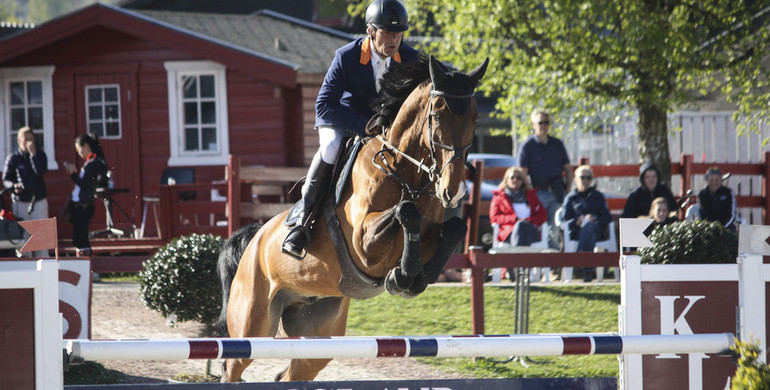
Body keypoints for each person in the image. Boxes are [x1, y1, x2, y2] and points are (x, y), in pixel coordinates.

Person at [282, 0, 420, 259]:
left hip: (382, 128)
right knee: (331, 147)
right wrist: (363, 126)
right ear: (370, 31)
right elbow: (324, 105)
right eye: (387, 33)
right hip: (342, 121)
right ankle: (303, 222)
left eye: (399, 33)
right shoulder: (346, 56)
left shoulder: (410, 58)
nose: (394, 39)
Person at [517, 109, 572, 248]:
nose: (543, 125)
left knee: (555, 227)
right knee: (539, 227)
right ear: (534, 124)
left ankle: (552, 265)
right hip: (538, 193)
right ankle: (540, 262)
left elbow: (567, 168)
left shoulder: (557, 144)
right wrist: (530, 191)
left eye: (546, 122)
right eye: (540, 122)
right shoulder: (528, 146)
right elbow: (522, 172)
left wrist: (569, 187)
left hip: (557, 191)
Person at [2, 126, 49, 257]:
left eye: (31, 138)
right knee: (23, 241)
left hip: (38, 201)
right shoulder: (13, 158)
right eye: (25, 139)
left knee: (41, 238)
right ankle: (26, 268)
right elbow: (6, 179)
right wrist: (13, 186)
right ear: (18, 140)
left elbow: (41, 171)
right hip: (20, 202)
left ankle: (44, 268)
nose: (28, 141)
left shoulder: (40, 154)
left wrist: (33, 155)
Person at [561, 165, 611, 282]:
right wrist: (576, 221)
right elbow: (564, 221)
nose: (585, 181)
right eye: (582, 177)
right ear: (575, 179)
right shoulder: (571, 198)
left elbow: (607, 217)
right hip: (577, 232)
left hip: (597, 229)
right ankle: (587, 271)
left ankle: (581, 260)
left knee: (590, 226)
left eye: (588, 178)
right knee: (589, 231)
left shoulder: (598, 196)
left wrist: (594, 219)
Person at [64, 134, 108, 256]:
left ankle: (86, 264)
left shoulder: (94, 164)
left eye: (79, 149)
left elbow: (85, 184)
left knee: (80, 237)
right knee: (80, 236)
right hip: (81, 205)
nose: (79, 153)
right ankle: (86, 264)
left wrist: (73, 174)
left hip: (85, 206)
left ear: (86, 146)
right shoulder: (90, 163)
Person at [489, 166, 547, 246]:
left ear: (523, 181)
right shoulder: (499, 197)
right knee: (520, 227)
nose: (515, 180)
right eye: (512, 177)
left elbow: (543, 215)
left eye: (519, 178)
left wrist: (528, 220)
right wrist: (515, 219)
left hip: (530, 229)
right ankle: (522, 256)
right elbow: (494, 217)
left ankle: (516, 256)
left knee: (523, 226)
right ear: (507, 179)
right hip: (509, 231)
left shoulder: (531, 195)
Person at [696, 166, 737, 231]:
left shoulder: (728, 193)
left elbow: (731, 215)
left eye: (717, 180)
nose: (714, 183)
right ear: (707, 181)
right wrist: (711, 228)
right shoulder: (702, 194)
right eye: (711, 180)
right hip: (708, 229)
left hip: (726, 228)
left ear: (721, 180)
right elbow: (703, 214)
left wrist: (721, 228)